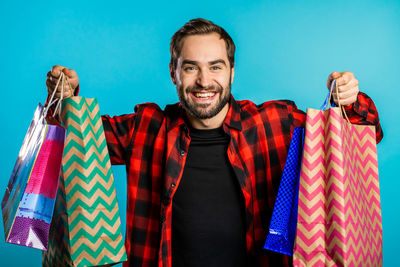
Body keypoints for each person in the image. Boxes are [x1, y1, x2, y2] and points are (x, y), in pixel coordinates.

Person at [46, 18, 383, 267]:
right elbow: (77, 138)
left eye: (215, 67)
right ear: (173, 73)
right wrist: (66, 100)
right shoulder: (147, 128)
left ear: (232, 71)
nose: (204, 81)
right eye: (190, 68)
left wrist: (349, 100)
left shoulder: (273, 124)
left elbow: (363, 130)